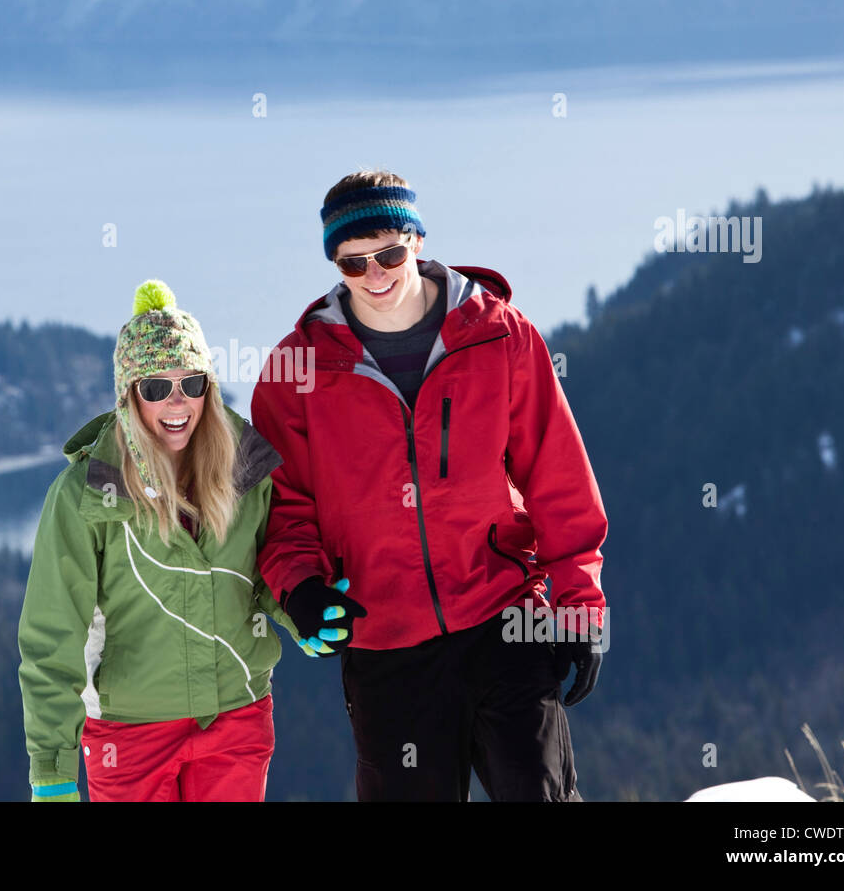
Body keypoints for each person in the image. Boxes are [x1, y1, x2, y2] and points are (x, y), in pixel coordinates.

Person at [250, 172, 608, 801]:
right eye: (354, 263)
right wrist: (301, 587)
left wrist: (580, 605)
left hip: (505, 616)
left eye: (388, 253)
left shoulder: (499, 336)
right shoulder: (296, 374)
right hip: (385, 642)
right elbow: (284, 511)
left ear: (416, 240)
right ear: (335, 264)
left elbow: (558, 477)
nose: (376, 274)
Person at [18, 279, 300, 801]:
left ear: (209, 390)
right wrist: (52, 768)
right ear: (129, 397)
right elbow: (52, 635)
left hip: (237, 718)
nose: (177, 402)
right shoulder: (86, 496)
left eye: (191, 384)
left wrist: (300, 611)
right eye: (155, 387)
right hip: (128, 732)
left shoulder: (244, 471)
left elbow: (266, 574)